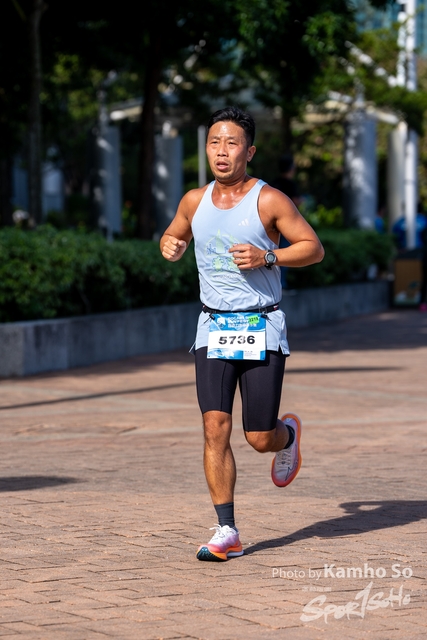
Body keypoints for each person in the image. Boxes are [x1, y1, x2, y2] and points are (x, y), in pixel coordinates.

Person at [160, 106, 324, 562]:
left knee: (257, 437)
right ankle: (226, 529)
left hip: (260, 324)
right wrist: (170, 245)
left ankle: (286, 436)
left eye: (232, 143)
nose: (222, 151)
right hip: (213, 326)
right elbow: (174, 235)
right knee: (215, 426)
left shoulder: (269, 200)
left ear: (248, 152)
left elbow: (313, 248)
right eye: (214, 142)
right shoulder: (193, 200)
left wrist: (268, 256)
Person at [271, 154, 303, 288]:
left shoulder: (273, 183)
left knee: (272, 253)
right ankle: (281, 285)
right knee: (284, 255)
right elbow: (295, 202)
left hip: (271, 224)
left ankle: (275, 284)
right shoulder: (290, 184)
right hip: (285, 225)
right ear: (291, 168)